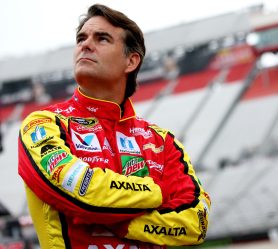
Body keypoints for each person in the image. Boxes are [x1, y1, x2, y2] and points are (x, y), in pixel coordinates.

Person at [18, 4, 211, 249]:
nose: (85, 45)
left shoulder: (163, 142)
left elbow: (196, 221)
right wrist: (157, 194)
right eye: (81, 38)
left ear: (131, 61)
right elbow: (82, 194)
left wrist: (123, 224)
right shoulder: (43, 124)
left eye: (102, 39)